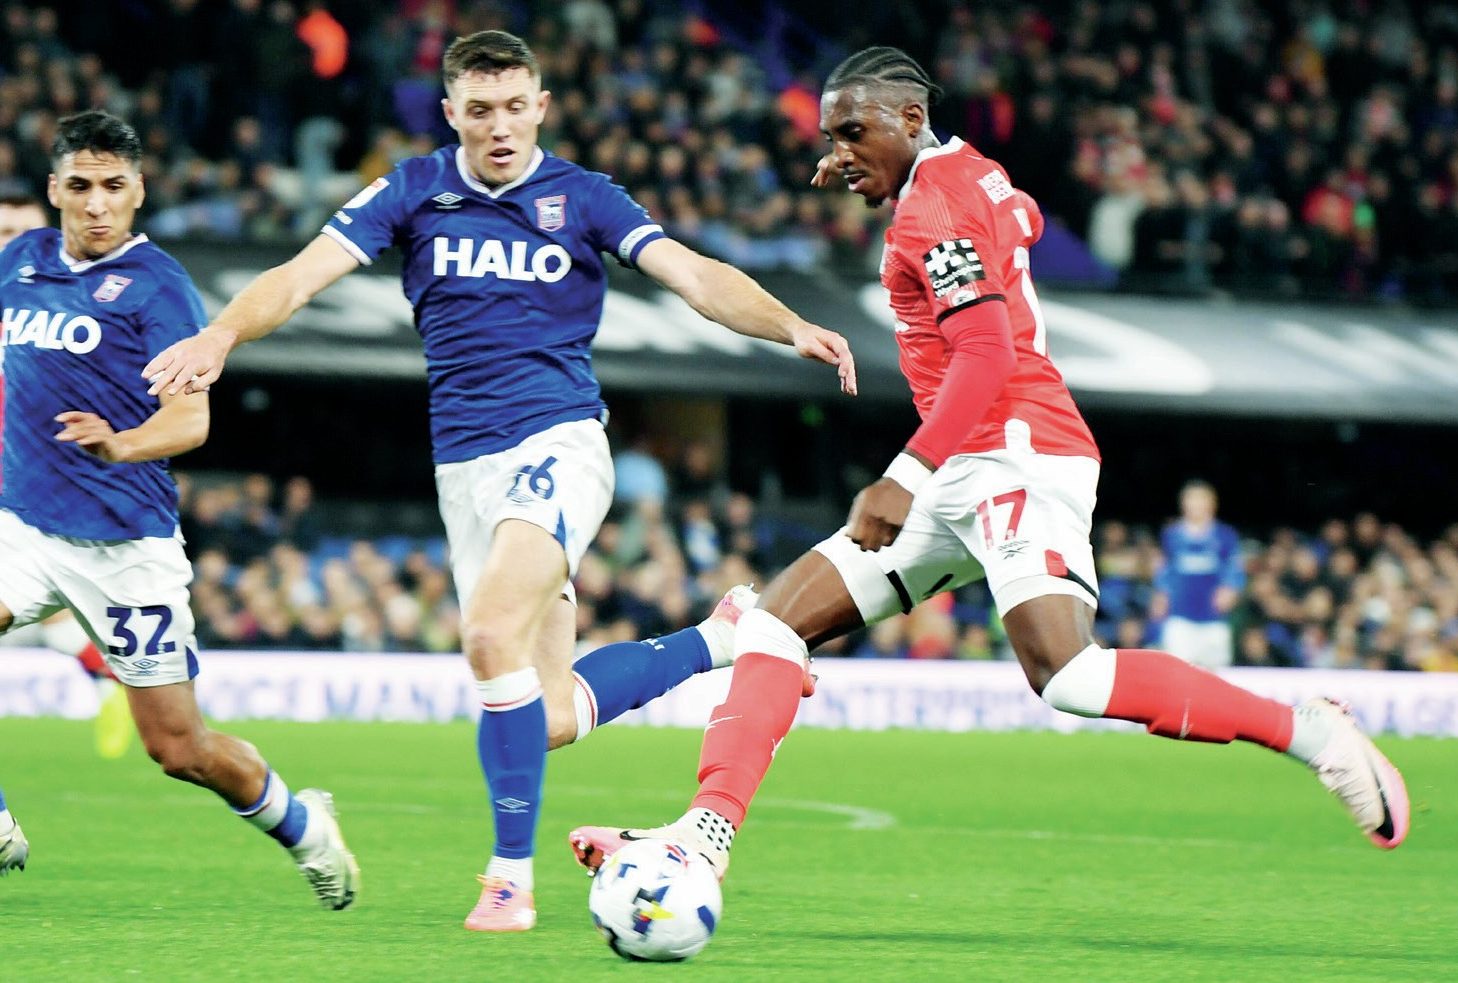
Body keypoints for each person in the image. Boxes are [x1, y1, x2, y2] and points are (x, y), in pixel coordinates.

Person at [567, 47, 1410, 883]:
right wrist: (896, 174)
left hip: (1013, 450)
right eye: (831, 135)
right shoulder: (969, 175)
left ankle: (1309, 731)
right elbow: (1027, 217)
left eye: (854, 131)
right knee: (772, 624)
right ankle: (702, 838)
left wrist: (905, 472)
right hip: (968, 456)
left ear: (911, 117)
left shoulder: (934, 210)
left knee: (1069, 673)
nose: (839, 151)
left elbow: (985, 354)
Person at [140, 30, 856, 932]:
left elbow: (696, 277)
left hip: (557, 444)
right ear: (452, 115)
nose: (500, 127)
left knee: (486, 634)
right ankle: (719, 641)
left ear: (542, 107)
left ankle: (508, 879)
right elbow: (297, 278)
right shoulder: (412, 189)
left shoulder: (584, 197)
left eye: (516, 106)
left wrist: (789, 323)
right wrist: (219, 337)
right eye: (480, 110)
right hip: (464, 468)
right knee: (547, 713)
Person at [0, 111, 359, 906]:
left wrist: (119, 444)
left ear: (139, 193)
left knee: (178, 746)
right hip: (21, 525)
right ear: (55, 190)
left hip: (125, 545)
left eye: (114, 188)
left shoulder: (157, 287)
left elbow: (190, 420)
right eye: (82, 187)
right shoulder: (18, 262)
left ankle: (303, 825)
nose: (97, 205)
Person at [0, 193, 134, 761]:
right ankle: (102, 669)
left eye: (22, 232)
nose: (12, 244)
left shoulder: (75, 313)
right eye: (2, 231)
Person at [1153, 480, 1243, 669]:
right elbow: (1164, 569)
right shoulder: (1172, 535)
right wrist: (1160, 595)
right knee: (1178, 671)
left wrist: (1230, 590)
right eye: (1191, 499)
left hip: (1213, 618)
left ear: (1212, 503)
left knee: (1215, 675)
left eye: (1201, 499)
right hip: (1180, 617)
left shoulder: (1225, 535)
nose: (1196, 504)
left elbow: (1235, 569)